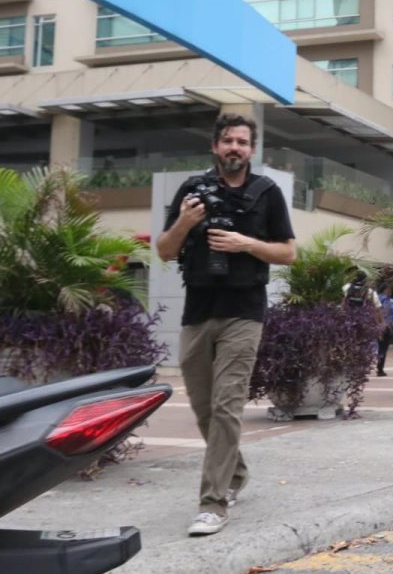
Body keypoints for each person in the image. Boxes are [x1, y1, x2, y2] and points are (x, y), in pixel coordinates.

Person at [156, 113, 296, 536]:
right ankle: (234, 473)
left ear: (251, 150)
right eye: (228, 141)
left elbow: (288, 253)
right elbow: (164, 250)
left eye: (242, 141)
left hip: (244, 312)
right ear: (215, 147)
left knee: (226, 406)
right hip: (197, 311)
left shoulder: (266, 192)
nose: (235, 147)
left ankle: (213, 503)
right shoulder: (191, 191)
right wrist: (185, 221)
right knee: (202, 407)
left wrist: (244, 244)